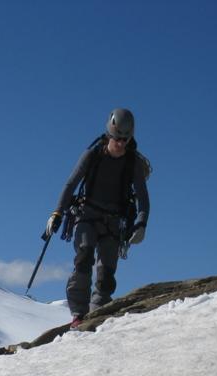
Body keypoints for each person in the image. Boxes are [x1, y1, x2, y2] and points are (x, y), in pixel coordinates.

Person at [44, 108, 150, 328]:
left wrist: (141, 224)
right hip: (87, 215)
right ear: (110, 134)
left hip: (114, 222)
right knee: (83, 257)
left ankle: (97, 315)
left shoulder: (134, 163)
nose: (121, 143)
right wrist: (57, 213)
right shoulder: (93, 155)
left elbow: (143, 199)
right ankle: (78, 314)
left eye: (125, 139)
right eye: (117, 138)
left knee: (106, 272)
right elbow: (71, 184)